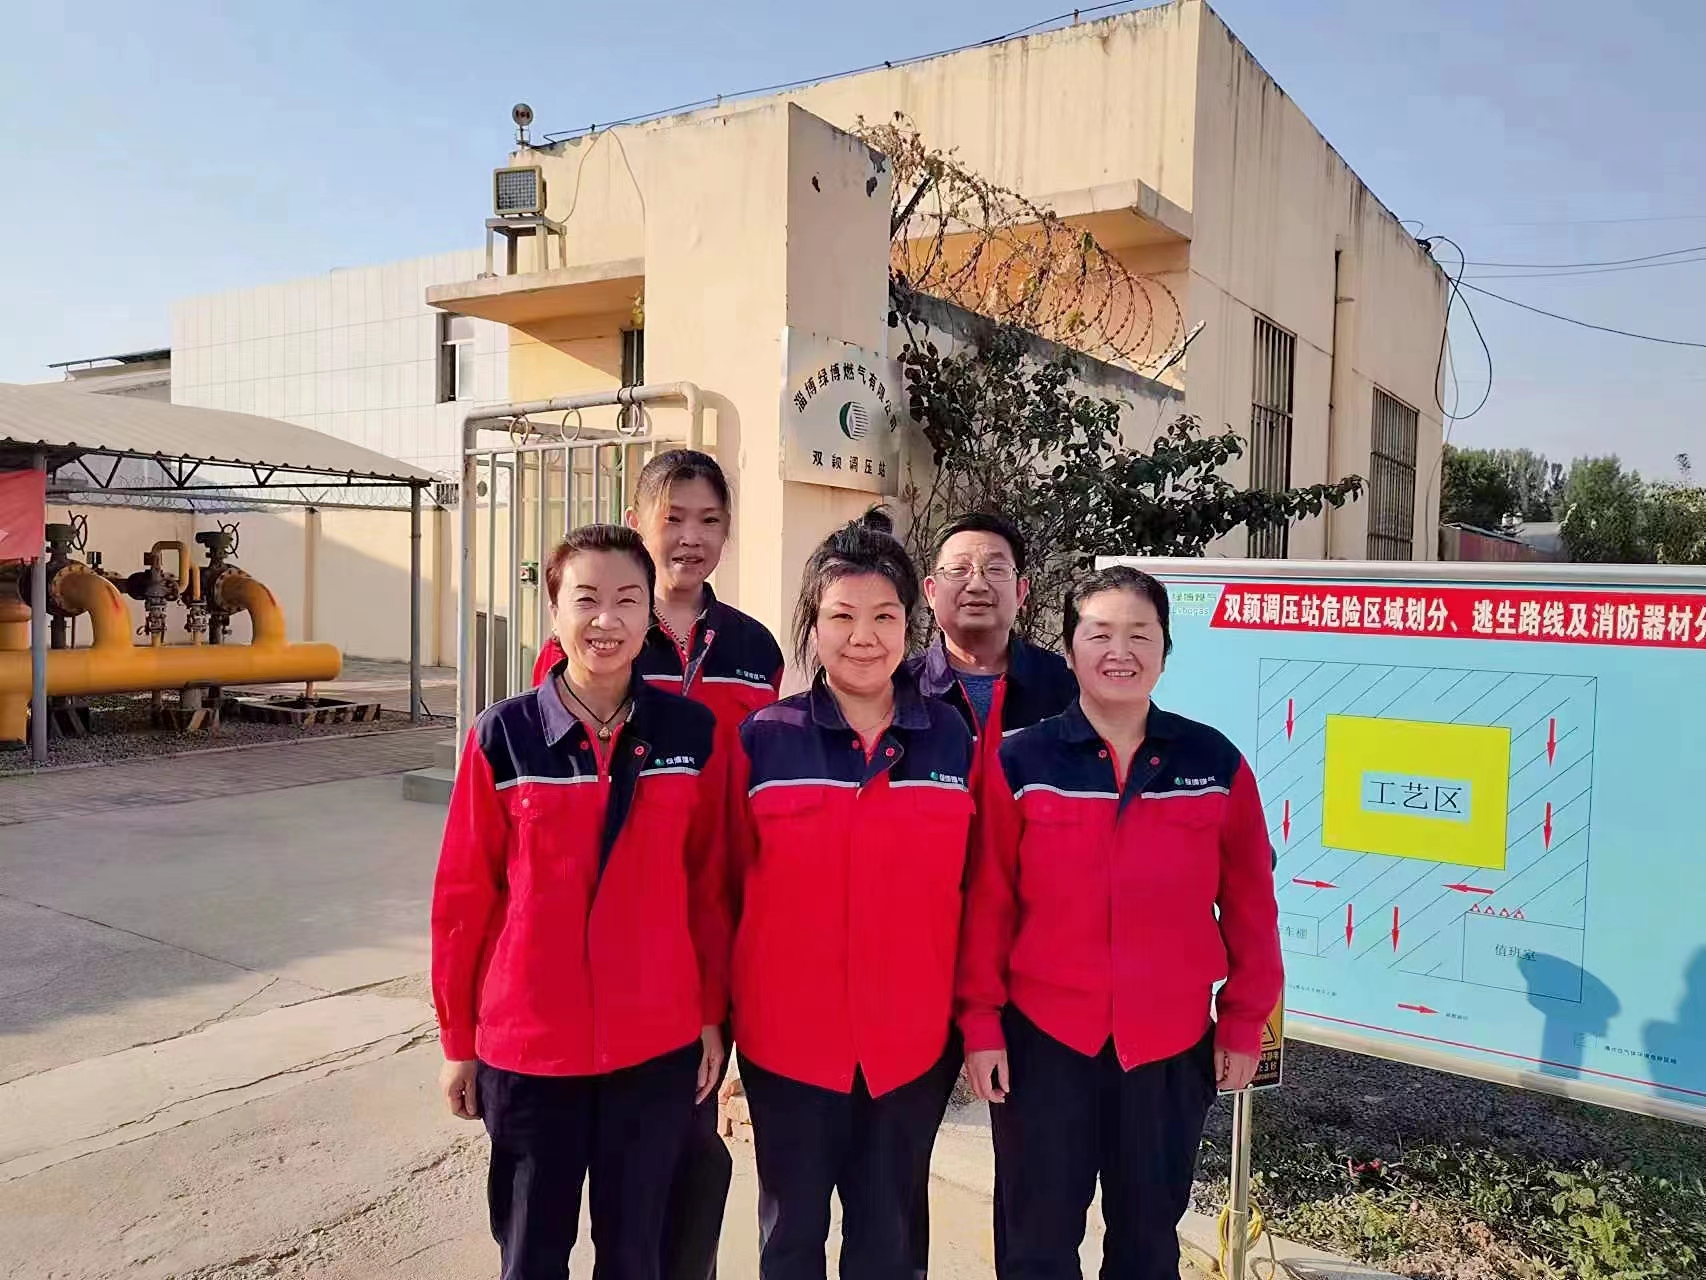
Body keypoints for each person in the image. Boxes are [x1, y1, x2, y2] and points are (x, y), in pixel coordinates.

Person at [957, 565, 1283, 1280]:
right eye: (1100, 633)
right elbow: (988, 901)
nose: (1120, 651)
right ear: (1069, 648)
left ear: (1165, 648)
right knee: (1036, 1245)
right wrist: (980, 1024)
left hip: (1168, 1048)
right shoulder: (1020, 760)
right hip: (1044, 1044)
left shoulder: (1213, 763)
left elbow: (1252, 903)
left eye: (1140, 634)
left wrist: (1242, 1021)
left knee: (1147, 1244)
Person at [432, 524, 731, 1280]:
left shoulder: (690, 733)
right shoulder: (504, 737)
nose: (607, 620)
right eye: (586, 599)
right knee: (532, 1254)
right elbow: (465, 897)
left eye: (628, 600)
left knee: (637, 1255)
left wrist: (709, 1015)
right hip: (532, 1049)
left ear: (650, 615)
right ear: (554, 611)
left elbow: (708, 887)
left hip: (654, 1044)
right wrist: (459, 1039)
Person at [531, 449, 783, 1280]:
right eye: (673, 518)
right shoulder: (597, 640)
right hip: (613, 923)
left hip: (714, 911)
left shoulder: (752, 648)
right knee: (600, 1150)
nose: (690, 538)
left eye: (709, 520)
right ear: (638, 523)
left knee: (691, 1134)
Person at [728, 510, 975, 1280]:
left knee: (889, 1244)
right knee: (790, 1241)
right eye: (841, 616)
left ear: (910, 625)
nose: (863, 636)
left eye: (884, 617)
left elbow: (982, 892)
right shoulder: (765, 740)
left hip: (911, 1046)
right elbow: (720, 892)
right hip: (786, 1046)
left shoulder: (954, 740)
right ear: (812, 624)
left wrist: (977, 1021)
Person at [904, 511, 1076, 1278]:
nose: (977, 583)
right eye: (960, 569)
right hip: (916, 962)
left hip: (1027, 966)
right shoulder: (895, 691)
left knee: (1035, 1176)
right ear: (931, 591)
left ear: (1023, 590)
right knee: (893, 1166)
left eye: (995, 569)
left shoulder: (1066, 690)